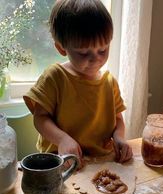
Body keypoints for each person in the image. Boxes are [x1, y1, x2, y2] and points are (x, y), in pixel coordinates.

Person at [23, 0, 133, 168]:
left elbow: (118, 119)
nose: (95, 58)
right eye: (83, 53)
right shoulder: (55, 77)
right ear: (61, 48)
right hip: (61, 160)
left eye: (103, 50)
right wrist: (62, 139)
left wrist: (119, 137)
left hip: (101, 161)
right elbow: (40, 118)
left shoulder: (109, 82)